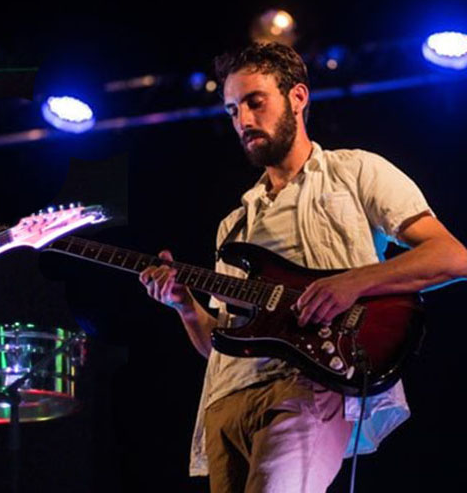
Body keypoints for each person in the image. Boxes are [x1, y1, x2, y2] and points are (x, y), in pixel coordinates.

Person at [139, 42, 467, 492]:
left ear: (297, 97)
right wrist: (185, 307)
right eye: (233, 110)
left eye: (256, 102)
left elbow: (452, 256)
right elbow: (219, 343)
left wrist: (351, 283)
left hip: (306, 386)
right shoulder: (232, 227)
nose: (244, 121)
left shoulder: (356, 172)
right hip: (224, 404)